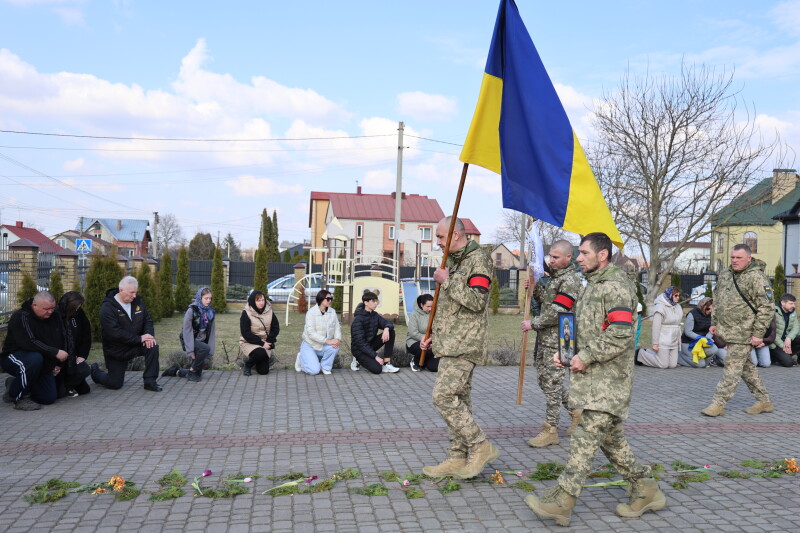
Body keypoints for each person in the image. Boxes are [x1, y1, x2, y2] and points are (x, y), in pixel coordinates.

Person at [526, 233, 666, 526]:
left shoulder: (615, 287)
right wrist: (567, 354)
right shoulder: (594, 285)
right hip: (592, 381)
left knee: (584, 439)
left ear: (602, 255)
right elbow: (587, 329)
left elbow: (620, 333)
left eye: (584, 253)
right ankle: (646, 488)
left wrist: (585, 357)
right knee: (612, 443)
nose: (579, 258)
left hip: (609, 382)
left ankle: (563, 500)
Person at [420, 216, 499, 480]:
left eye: (441, 237)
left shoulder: (479, 260)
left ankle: (480, 445)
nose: (438, 242)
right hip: (450, 341)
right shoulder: (453, 261)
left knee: (442, 397)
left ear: (455, 235)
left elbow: (477, 301)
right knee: (459, 400)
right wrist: (432, 334)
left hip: (466, 342)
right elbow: (448, 308)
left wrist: (447, 280)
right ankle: (457, 456)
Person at [520, 239, 582, 448]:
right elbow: (546, 302)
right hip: (546, 337)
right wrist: (535, 289)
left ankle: (550, 429)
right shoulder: (555, 279)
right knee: (544, 380)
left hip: (562, 339)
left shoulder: (570, 280)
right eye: (550, 257)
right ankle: (576, 411)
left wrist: (533, 323)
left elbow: (558, 311)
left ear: (568, 257)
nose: (551, 261)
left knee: (553, 383)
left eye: (556, 257)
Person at [702, 244, 774, 417]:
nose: (734, 261)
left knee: (732, 367)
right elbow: (718, 299)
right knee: (746, 368)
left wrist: (758, 334)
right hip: (728, 329)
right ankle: (764, 401)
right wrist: (715, 321)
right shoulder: (726, 274)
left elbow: (767, 307)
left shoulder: (757, 277)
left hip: (745, 332)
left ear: (749, 258)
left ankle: (718, 403)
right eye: (732, 257)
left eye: (738, 258)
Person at [92, 276, 162, 392]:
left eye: (135, 292)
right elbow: (114, 332)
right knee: (114, 384)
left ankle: (150, 381)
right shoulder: (108, 307)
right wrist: (140, 339)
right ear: (121, 290)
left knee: (152, 346)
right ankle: (95, 372)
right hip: (117, 350)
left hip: (135, 345)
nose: (134, 296)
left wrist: (149, 335)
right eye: (131, 292)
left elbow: (147, 321)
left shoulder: (137, 302)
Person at [1, 291, 67, 410]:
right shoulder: (21, 316)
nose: (50, 312)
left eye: (52, 308)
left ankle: (14, 385)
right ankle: (19, 398)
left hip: (42, 359)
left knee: (49, 397)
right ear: (34, 305)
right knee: (35, 358)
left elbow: (60, 338)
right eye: (46, 309)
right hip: (15, 356)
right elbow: (29, 342)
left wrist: (58, 363)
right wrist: (55, 352)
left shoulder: (55, 315)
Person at [163, 287, 216, 382]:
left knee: (197, 375)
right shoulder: (191, 310)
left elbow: (212, 332)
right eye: (206, 298)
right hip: (190, 341)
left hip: (202, 342)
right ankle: (192, 370)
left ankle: (176, 372)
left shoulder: (210, 312)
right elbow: (186, 332)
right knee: (205, 349)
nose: (208, 301)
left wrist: (210, 351)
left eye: (210, 298)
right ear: (200, 298)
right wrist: (190, 350)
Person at [350, 291, 399, 373]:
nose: (376, 303)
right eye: (373, 301)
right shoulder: (358, 320)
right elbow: (360, 343)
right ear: (366, 302)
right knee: (377, 369)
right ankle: (357, 359)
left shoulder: (374, 315)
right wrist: (375, 356)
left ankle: (387, 363)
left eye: (376, 301)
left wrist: (386, 328)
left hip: (370, 344)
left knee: (391, 332)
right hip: (359, 349)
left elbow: (387, 323)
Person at [296, 289, 341, 375]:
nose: (330, 301)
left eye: (331, 298)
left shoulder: (332, 312)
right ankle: (301, 359)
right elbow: (311, 333)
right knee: (314, 371)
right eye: (328, 299)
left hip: (324, 345)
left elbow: (337, 328)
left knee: (335, 346)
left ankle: (325, 367)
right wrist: (328, 341)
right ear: (321, 299)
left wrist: (337, 339)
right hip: (310, 344)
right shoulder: (311, 312)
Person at [56, 291, 92, 397]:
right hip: (61, 359)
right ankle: (64, 386)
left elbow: (86, 334)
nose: (77, 309)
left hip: (74, 356)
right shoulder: (57, 315)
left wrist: (82, 355)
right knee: (57, 394)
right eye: (76, 307)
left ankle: (68, 385)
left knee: (85, 387)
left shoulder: (79, 313)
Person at [637, 286, 682, 368]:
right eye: (676, 295)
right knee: (663, 364)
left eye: (679, 295)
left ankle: (649, 352)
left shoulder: (678, 307)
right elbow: (656, 327)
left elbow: (678, 324)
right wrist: (655, 343)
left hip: (673, 340)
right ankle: (640, 354)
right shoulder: (660, 308)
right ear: (670, 295)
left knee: (672, 365)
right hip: (663, 339)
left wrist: (679, 338)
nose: (678, 298)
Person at [239, 290, 279, 376]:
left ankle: (256, 361)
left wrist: (269, 341)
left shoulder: (269, 311)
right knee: (260, 352)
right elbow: (246, 333)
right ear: (253, 301)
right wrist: (261, 343)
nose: (261, 303)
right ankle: (248, 365)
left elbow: (276, 328)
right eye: (258, 300)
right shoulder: (246, 313)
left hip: (265, 341)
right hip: (249, 342)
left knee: (264, 371)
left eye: (263, 300)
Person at [678, 297, 727, 368]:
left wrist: (707, 339)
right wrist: (701, 338)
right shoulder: (692, 314)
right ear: (702, 307)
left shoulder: (712, 316)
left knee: (714, 349)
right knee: (700, 364)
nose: (710, 311)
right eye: (708, 309)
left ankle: (704, 362)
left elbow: (710, 331)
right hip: (689, 343)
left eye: (711, 309)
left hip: (702, 342)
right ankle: (680, 358)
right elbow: (688, 332)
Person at [406, 293, 440, 372]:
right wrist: (425, 338)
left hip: (431, 342)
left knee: (434, 368)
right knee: (426, 347)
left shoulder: (435, 314)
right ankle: (415, 360)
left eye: (432, 306)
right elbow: (413, 333)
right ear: (421, 305)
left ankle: (424, 361)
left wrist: (432, 339)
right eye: (428, 306)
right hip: (414, 342)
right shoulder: (414, 315)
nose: (430, 309)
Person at [768, 293, 799, 367]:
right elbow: (772, 333)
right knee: (788, 363)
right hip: (774, 343)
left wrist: (789, 338)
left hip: (786, 340)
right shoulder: (773, 311)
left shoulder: (792, 311)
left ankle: (794, 358)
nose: (793, 306)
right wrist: (783, 346)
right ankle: (775, 357)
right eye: (791, 303)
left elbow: (796, 327)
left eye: (794, 303)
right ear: (782, 303)